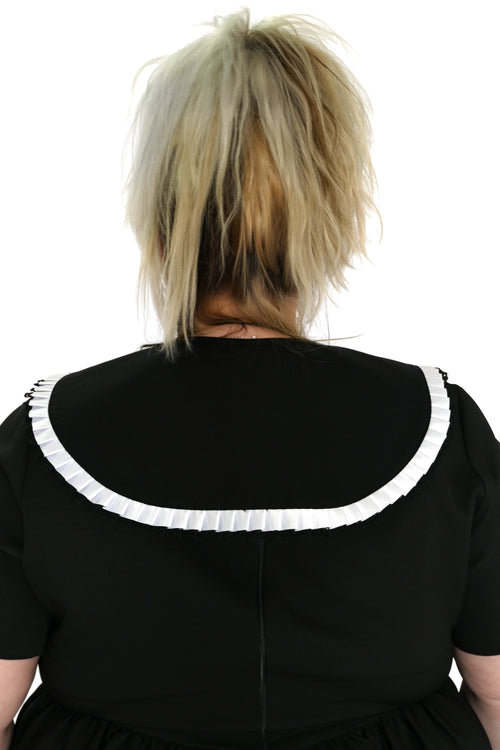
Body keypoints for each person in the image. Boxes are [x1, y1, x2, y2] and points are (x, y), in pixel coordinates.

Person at [1, 7, 499, 750]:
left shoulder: (41, 441)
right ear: (333, 213)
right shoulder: (443, 428)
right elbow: (496, 694)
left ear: (159, 219)